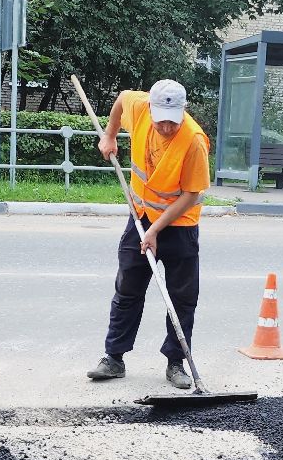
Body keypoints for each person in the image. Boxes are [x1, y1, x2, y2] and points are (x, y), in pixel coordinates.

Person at [84, 79, 209, 389]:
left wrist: (155, 230)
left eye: (172, 120)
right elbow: (122, 98)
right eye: (160, 118)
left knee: (181, 297)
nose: (166, 126)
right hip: (140, 217)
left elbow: (191, 195)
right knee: (127, 287)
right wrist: (110, 136)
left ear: (183, 112)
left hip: (180, 225)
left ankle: (176, 362)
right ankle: (114, 358)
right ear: (151, 108)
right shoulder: (139, 108)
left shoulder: (193, 141)